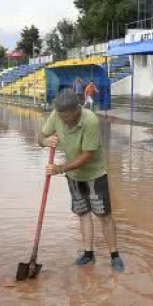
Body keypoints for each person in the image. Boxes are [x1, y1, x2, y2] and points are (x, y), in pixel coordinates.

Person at [38, 90, 124, 273]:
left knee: (104, 216)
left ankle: (114, 255)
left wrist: (60, 169)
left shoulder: (90, 120)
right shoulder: (56, 114)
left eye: (66, 116)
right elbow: (40, 137)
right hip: (74, 176)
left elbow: (87, 156)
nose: (62, 120)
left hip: (95, 174)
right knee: (83, 214)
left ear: (75, 110)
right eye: (60, 116)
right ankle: (88, 254)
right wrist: (46, 141)